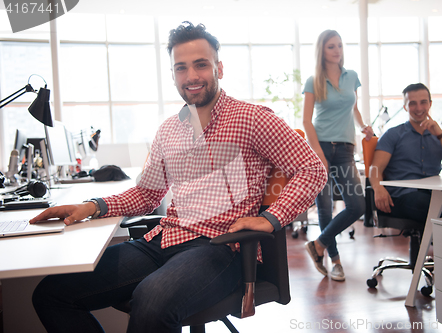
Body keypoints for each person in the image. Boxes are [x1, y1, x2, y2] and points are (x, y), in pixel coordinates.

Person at [30, 21, 327, 333]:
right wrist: (90, 207)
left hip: (219, 247)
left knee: (151, 300)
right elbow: (146, 194)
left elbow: (311, 169)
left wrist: (271, 218)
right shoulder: (169, 129)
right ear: (173, 75)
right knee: (52, 294)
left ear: (219, 68)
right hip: (162, 241)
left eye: (201, 64)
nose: (192, 76)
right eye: (181, 68)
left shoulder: (253, 119)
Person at [302, 30, 374, 282]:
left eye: (340, 46)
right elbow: (306, 121)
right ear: (322, 50)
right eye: (331, 46)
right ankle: (335, 260)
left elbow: (353, 107)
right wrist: (319, 154)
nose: (337, 50)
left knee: (357, 205)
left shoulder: (351, 77)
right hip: (320, 146)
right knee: (325, 208)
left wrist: (363, 125)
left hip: (344, 149)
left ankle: (318, 244)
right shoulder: (313, 81)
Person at [369, 83, 442, 224]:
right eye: (412, 104)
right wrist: (377, 188)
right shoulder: (393, 134)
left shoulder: (440, 135)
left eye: (423, 102)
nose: (419, 108)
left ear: (430, 104)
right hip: (402, 196)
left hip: (434, 193)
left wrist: (441, 135)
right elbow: (376, 167)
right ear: (405, 107)